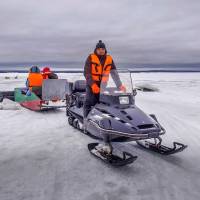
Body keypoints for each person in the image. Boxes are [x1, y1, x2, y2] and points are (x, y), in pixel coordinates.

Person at [83, 40, 126, 118]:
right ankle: (85, 120)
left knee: (103, 102)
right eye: (99, 49)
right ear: (96, 50)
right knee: (88, 101)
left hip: (103, 84)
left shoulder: (109, 59)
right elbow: (87, 73)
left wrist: (119, 85)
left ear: (105, 50)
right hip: (91, 84)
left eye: (102, 49)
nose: (101, 51)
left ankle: (102, 119)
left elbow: (114, 73)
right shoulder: (91, 57)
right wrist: (93, 85)